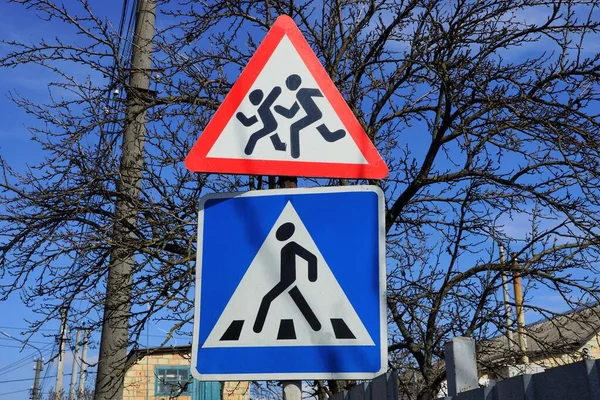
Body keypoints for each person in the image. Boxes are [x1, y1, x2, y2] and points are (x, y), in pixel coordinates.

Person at [253, 222, 321, 333]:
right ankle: (317, 327)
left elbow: (311, 258)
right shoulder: (284, 248)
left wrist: (312, 276)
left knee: (267, 299)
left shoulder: (292, 246)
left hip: (288, 280)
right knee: (299, 300)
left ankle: (257, 329)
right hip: (286, 280)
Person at [275, 74, 346, 158]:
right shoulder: (299, 95)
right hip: (314, 115)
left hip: (314, 114)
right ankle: (331, 136)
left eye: (288, 81)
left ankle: (295, 153)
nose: (287, 83)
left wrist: (329, 96)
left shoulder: (303, 91)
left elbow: (321, 93)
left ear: (295, 82)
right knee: (320, 129)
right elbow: (291, 113)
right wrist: (279, 109)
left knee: (294, 127)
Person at [236, 87, 286, 155]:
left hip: (270, 126)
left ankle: (247, 152)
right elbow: (248, 122)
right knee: (274, 140)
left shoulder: (264, 106)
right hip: (270, 126)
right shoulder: (260, 109)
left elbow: (273, 95)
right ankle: (282, 147)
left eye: (252, 100)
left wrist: (239, 116)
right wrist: (240, 116)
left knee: (253, 137)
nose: (252, 102)